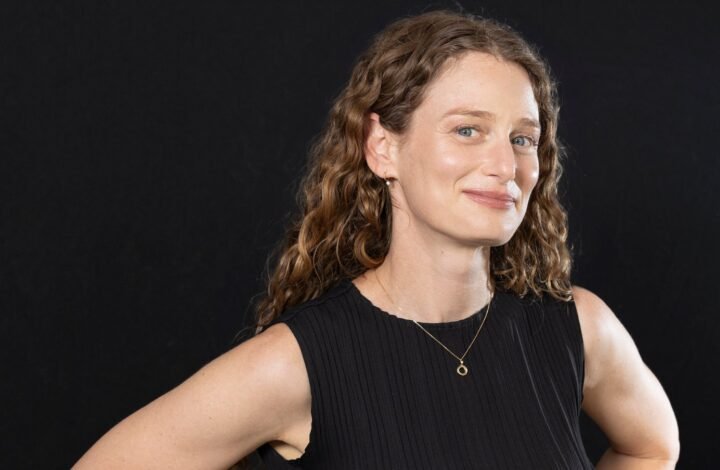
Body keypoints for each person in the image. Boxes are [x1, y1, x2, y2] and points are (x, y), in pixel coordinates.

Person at [74, 9, 679, 470]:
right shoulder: (296, 364)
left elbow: (652, 448)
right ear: (383, 147)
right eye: (468, 130)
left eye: (523, 139)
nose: (505, 165)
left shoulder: (579, 328)